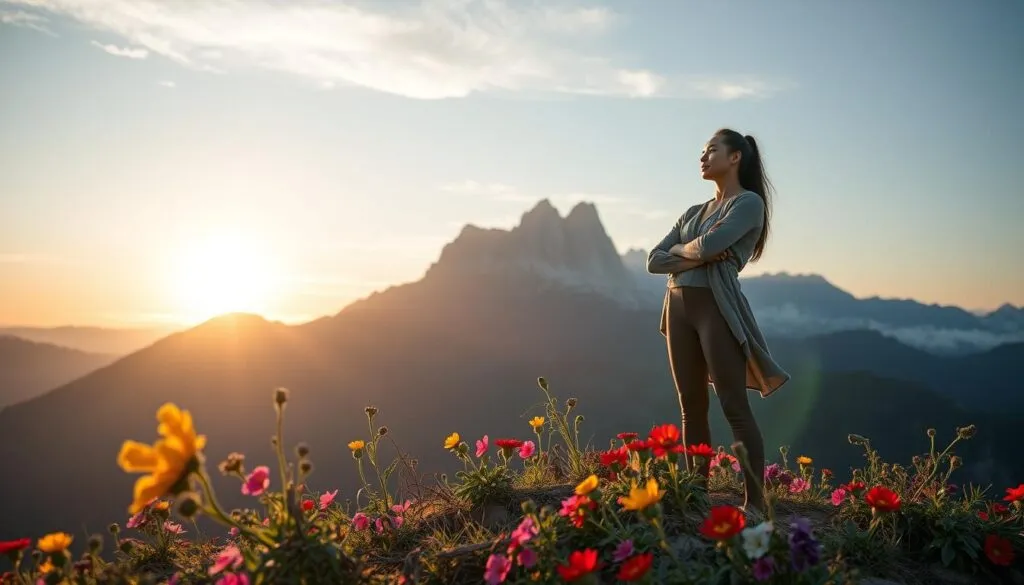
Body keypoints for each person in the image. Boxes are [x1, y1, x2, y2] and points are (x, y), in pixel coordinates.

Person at [646, 128, 790, 517]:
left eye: (712, 150)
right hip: (676, 306)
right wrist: (696, 253)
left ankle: (755, 504)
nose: (703, 157)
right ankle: (696, 494)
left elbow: (708, 246)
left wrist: (691, 251)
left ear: (735, 157)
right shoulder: (693, 213)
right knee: (690, 405)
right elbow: (653, 260)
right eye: (702, 151)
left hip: (716, 307)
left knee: (733, 405)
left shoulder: (748, 204)